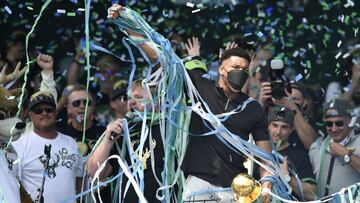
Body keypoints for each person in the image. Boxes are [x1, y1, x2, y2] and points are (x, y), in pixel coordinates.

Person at [107, 4, 273, 202]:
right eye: (235, 67)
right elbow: (161, 58)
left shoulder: (253, 109)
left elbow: (265, 157)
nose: (241, 73)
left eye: (245, 70)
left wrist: (267, 186)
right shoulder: (200, 87)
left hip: (234, 188)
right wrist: (126, 24)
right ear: (221, 69)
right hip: (198, 184)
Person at [88, 79, 165, 202]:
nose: (131, 102)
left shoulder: (168, 130)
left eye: (139, 97)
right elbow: (94, 172)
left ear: (156, 102)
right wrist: (108, 140)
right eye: (129, 98)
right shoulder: (121, 133)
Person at [12, 91, 83, 203]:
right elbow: (13, 187)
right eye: (38, 110)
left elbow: (80, 182)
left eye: (49, 109)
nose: (44, 113)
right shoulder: (18, 146)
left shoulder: (71, 142)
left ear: (55, 112)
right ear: (31, 114)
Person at [309, 99, 360, 198]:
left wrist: (346, 155)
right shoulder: (317, 147)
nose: (334, 129)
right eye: (329, 124)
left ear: (349, 120)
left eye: (339, 123)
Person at [267, 105, 316, 200]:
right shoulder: (258, 151)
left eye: (284, 127)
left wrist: (287, 177)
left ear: (292, 129)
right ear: (268, 126)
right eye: (275, 125)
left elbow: (311, 193)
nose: (278, 132)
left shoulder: (300, 155)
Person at [259, 81, 318, 151]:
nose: (287, 100)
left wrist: (292, 106)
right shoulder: (270, 119)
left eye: (295, 99)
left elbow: (312, 146)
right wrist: (261, 103)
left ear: (305, 102)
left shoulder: (312, 125)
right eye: (285, 97)